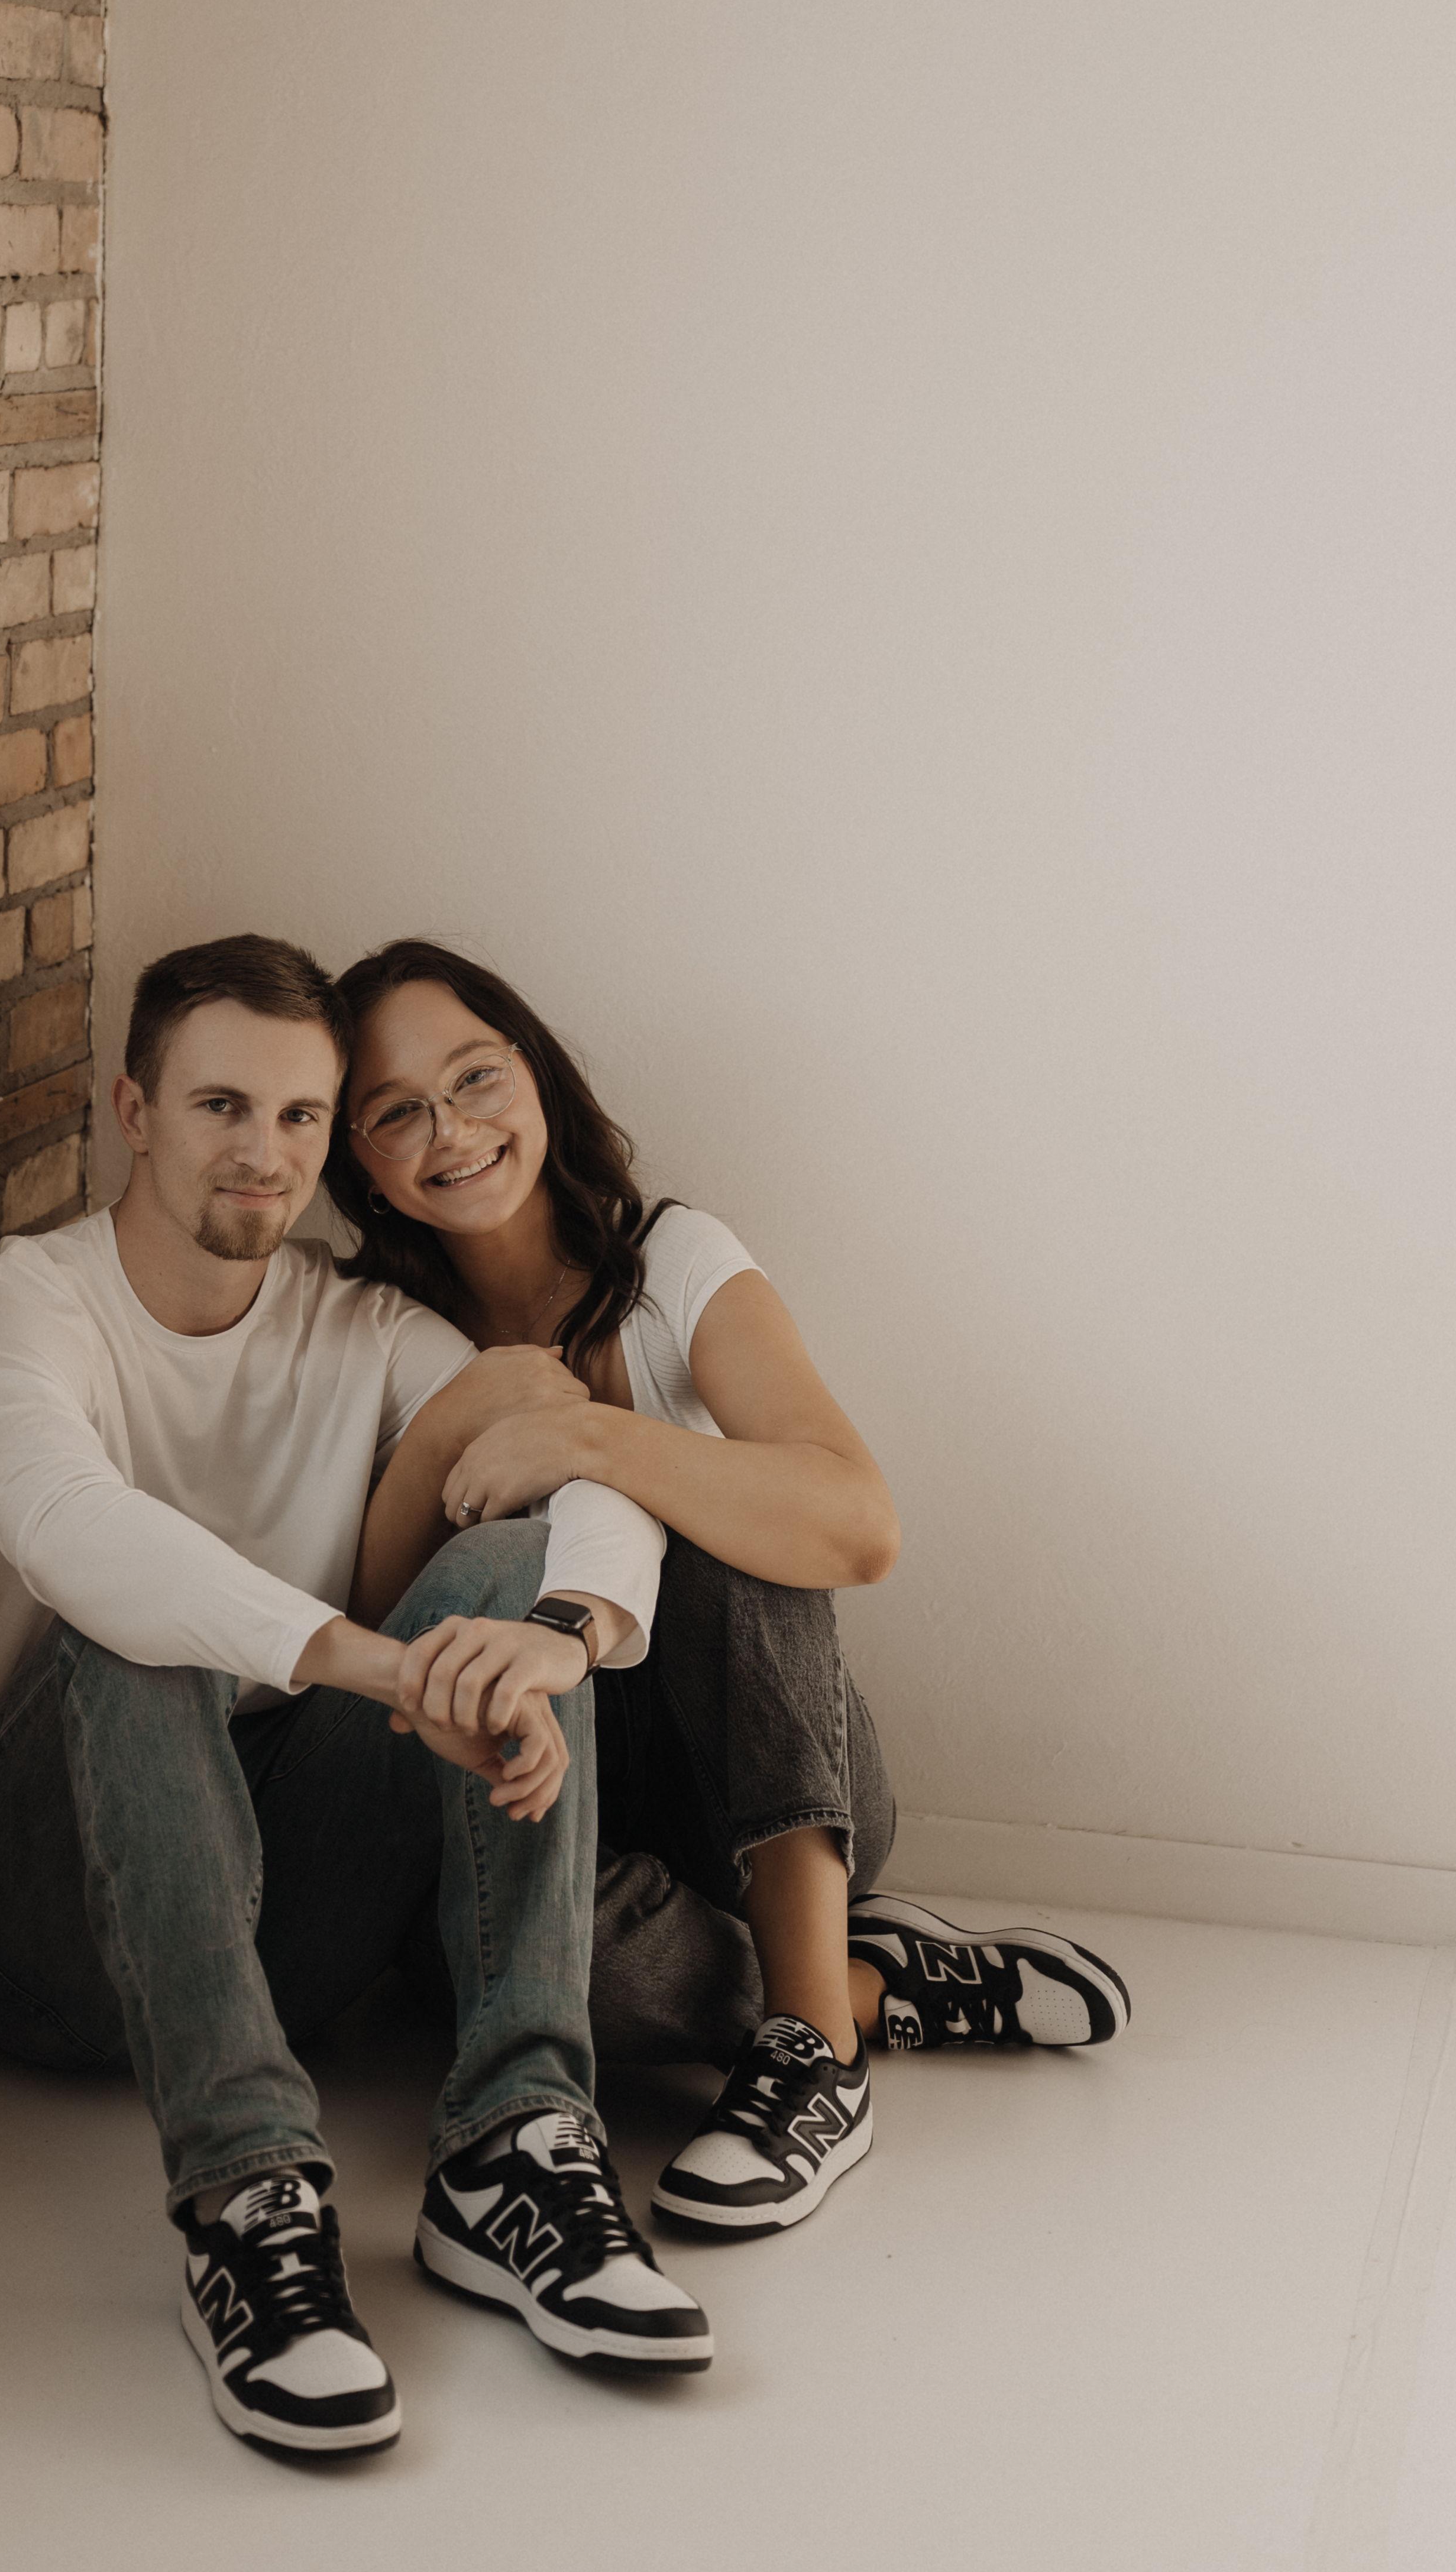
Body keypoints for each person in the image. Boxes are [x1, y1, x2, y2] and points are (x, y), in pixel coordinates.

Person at [0, 934, 717, 2456]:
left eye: (301, 1116)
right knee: (134, 1619)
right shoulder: (21, 1312)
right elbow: (79, 1537)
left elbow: (574, 1458)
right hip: (19, 1925)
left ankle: (515, 2142)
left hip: (276, 1924)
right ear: (135, 1111)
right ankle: (247, 2199)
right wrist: (381, 1665)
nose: (264, 1152)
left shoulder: (363, 1327)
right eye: (221, 1107)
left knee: (508, 1560)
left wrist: (564, 1635)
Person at [332, 937, 1133, 2243]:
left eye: (475, 1078)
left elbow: (859, 1525)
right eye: (397, 1112)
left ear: (535, 1072)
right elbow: (373, 1632)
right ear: (359, 1162)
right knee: (477, 1962)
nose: (453, 1131)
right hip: (563, 1816)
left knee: (731, 1505)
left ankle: (816, 2055)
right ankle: (867, 1983)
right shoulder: (367, 1335)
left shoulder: (674, 1262)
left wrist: (596, 1438)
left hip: (773, 1780)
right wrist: (451, 1433)